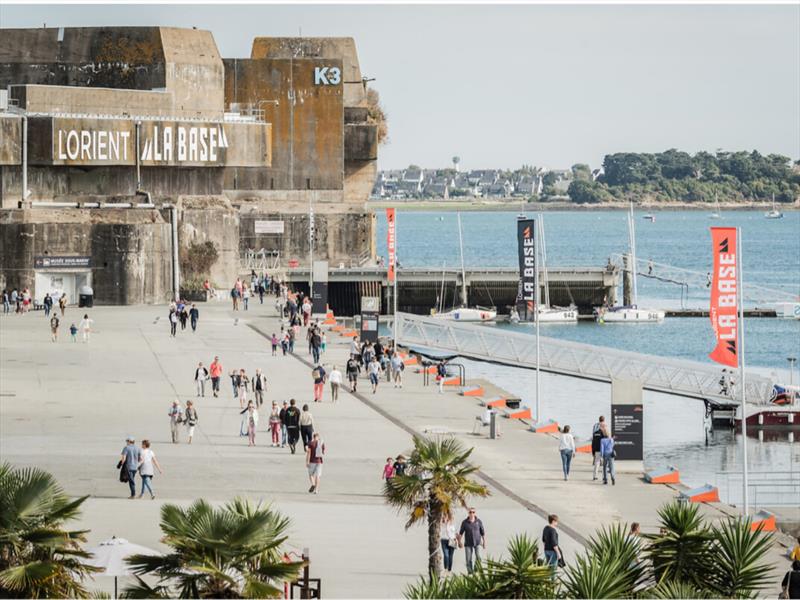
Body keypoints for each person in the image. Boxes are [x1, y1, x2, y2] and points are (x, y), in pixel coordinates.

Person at [457, 508, 486, 574]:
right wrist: (459, 542)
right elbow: (461, 533)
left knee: (479, 557)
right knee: (468, 559)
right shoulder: (464, 522)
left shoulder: (478, 521)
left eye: (473, 512)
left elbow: (482, 532)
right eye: (470, 512)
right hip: (468, 543)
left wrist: (484, 542)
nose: (472, 513)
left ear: (475, 513)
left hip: (478, 542)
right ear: (468, 513)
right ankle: (470, 572)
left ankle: (476, 569)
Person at [591, 416, 607, 481]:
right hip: (603, 449)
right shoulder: (605, 426)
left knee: (596, 463)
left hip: (597, 448)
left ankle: (595, 476)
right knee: (604, 464)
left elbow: (593, 441)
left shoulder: (595, 427)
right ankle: (604, 477)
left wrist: (593, 451)